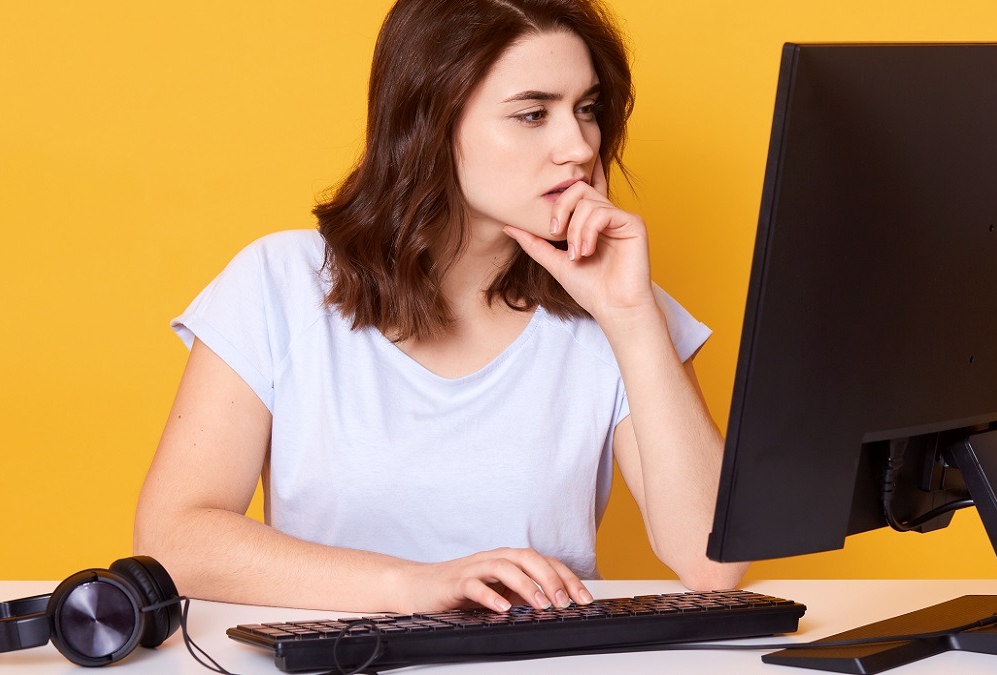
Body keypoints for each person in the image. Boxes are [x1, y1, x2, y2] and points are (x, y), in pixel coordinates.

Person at [134, 0, 748, 614]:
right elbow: (173, 541)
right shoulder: (280, 284)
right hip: (342, 654)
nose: (579, 147)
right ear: (431, 122)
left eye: (586, 109)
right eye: (533, 114)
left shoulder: (620, 302)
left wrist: (631, 317)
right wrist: (415, 586)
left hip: (544, 655)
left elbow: (714, 562)